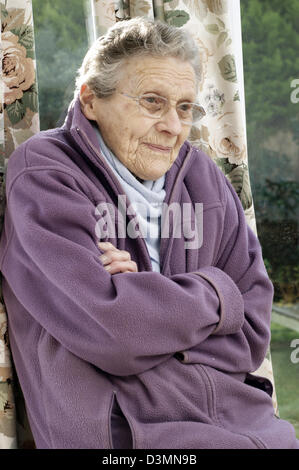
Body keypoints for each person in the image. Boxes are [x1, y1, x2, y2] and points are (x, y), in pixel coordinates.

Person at [0, 17, 298, 450]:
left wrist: (143, 296)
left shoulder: (204, 176)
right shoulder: (46, 172)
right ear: (90, 100)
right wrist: (217, 294)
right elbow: (111, 332)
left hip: (244, 423)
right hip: (128, 433)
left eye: (184, 108)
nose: (173, 127)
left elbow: (252, 330)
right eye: (152, 102)